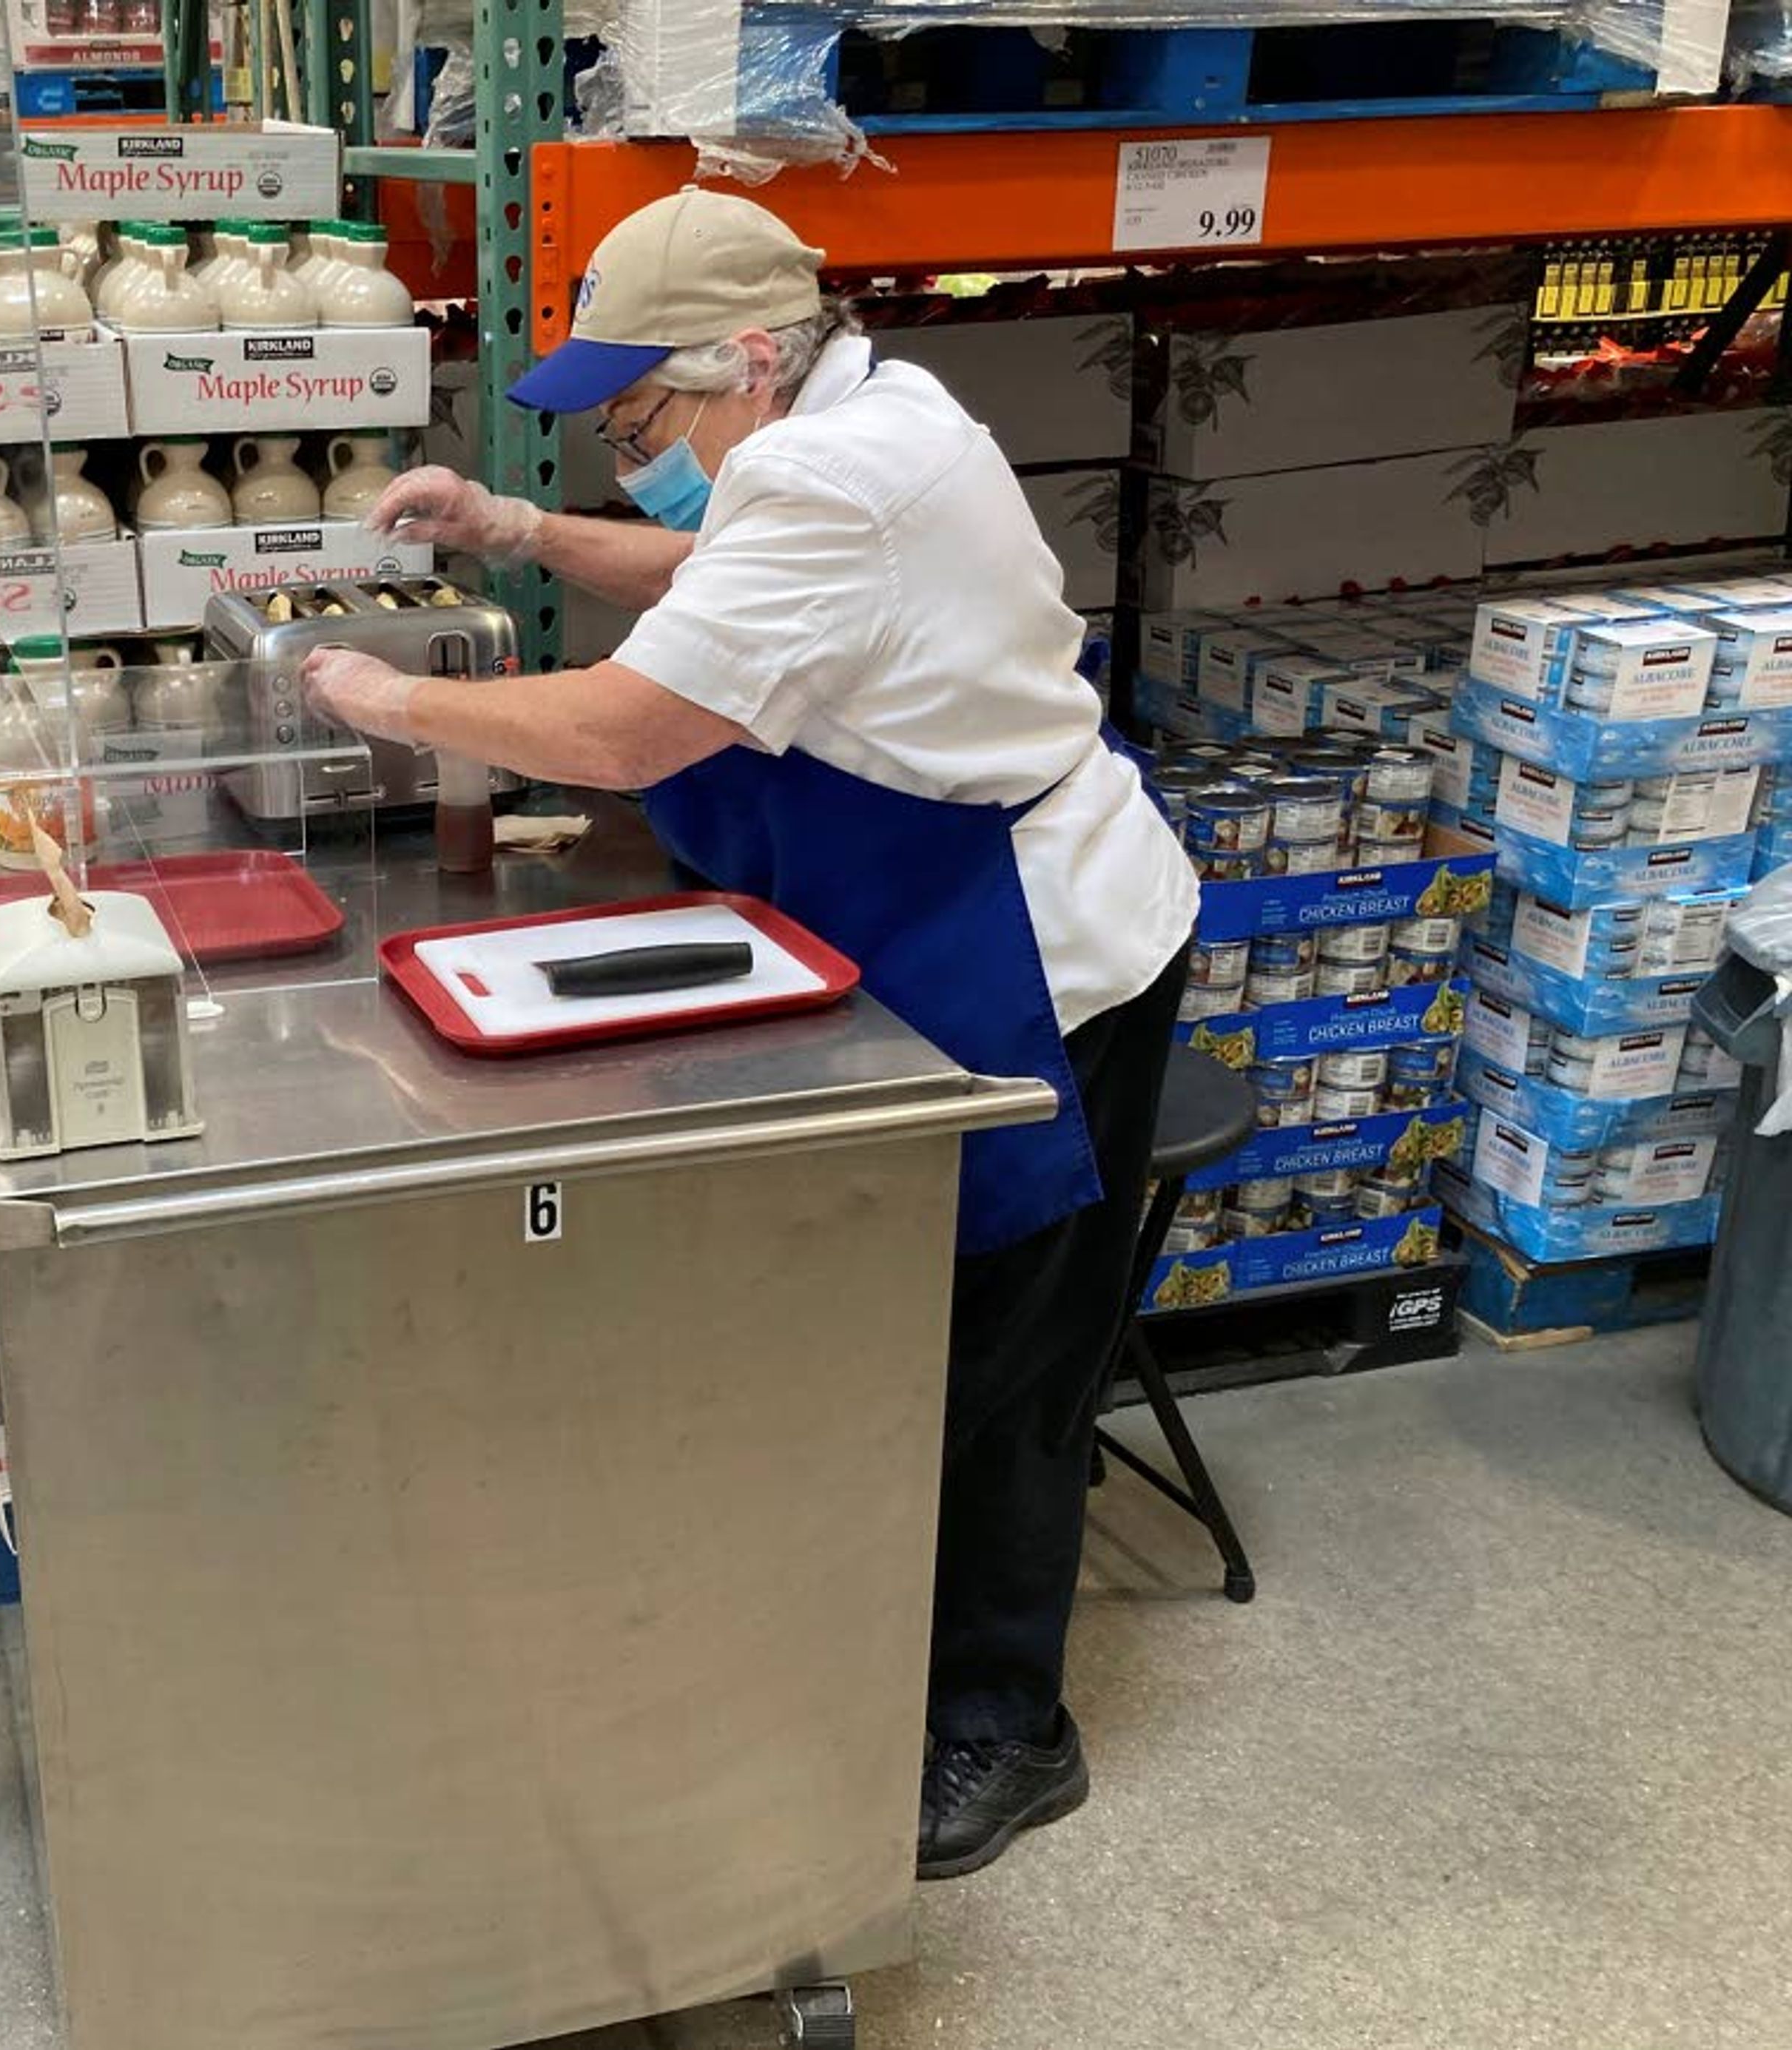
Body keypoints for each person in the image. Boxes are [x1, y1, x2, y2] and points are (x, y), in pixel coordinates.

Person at [304, 191, 1199, 1881]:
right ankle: (871, 1643)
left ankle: (1007, 1727)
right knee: (916, 1337)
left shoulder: (839, 471)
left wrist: (388, 697)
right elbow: (723, 571)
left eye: (640, 416)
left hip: (1039, 948)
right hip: (935, 904)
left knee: (1003, 1365)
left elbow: (632, 729)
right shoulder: (860, 417)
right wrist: (519, 526)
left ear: (756, 362)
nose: (632, 448)